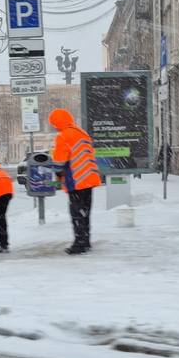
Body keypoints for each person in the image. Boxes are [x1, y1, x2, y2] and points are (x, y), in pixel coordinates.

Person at [48, 108, 102, 254]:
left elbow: (59, 162)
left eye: (54, 123)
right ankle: (86, 241)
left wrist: (58, 176)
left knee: (76, 213)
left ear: (57, 122)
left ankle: (79, 244)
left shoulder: (63, 136)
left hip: (76, 180)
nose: (54, 127)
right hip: (89, 179)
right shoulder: (82, 134)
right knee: (85, 212)